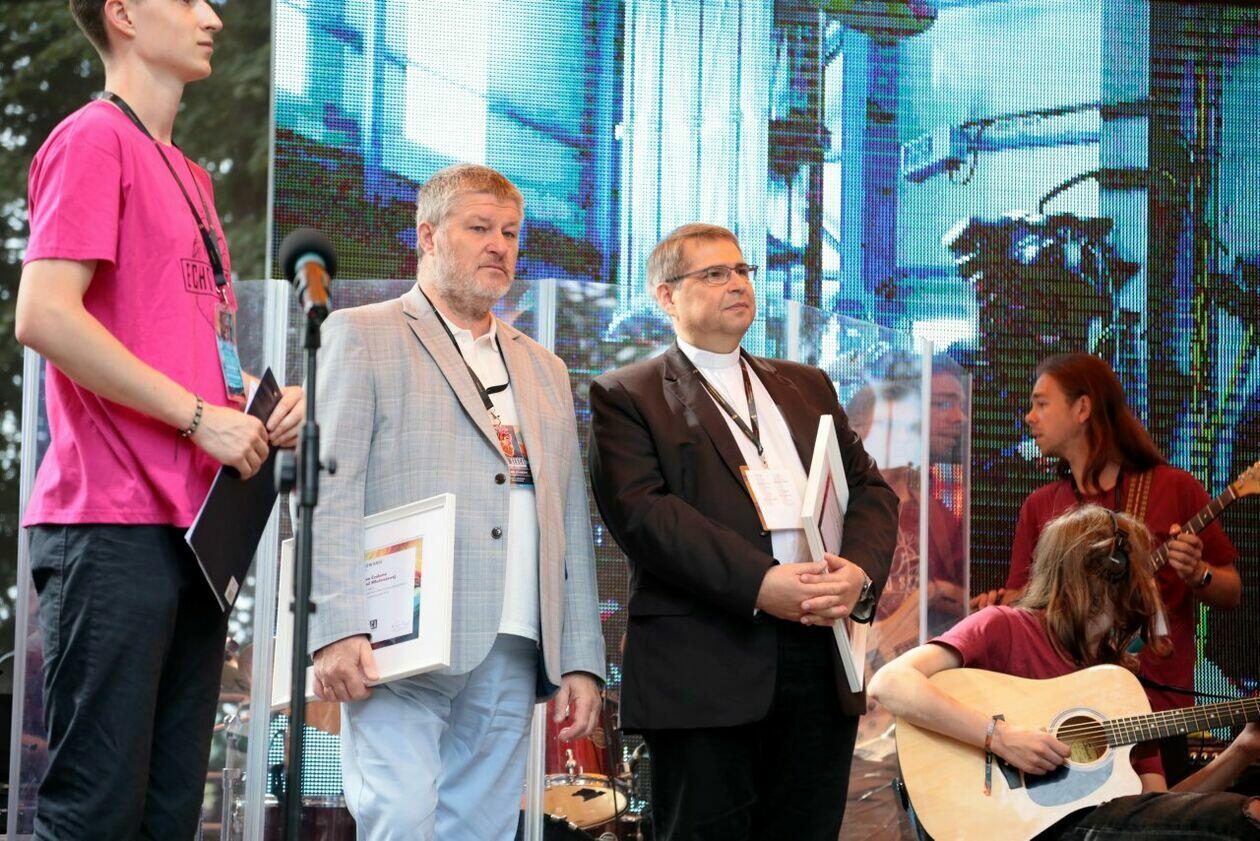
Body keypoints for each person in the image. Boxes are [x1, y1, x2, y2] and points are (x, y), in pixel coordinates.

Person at [14, 2, 305, 839]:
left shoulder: (191, 176)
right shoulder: (91, 138)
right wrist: (198, 418)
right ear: (123, 14)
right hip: (112, 522)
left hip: (196, 533)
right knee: (95, 812)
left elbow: (189, 346)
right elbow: (44, 314)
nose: (211, 16)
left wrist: (254, 405)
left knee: (170, 812)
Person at [308, 164, 605, 841]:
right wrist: (337, 624)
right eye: (479, 228)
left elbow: (567, 517)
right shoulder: (362, 332)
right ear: (428, 236)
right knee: (400, 818)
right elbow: (329, 491)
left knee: (483, 828)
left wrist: (580, 656)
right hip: (398, 636)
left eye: (510, 233)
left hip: (515, 636)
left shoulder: (546, 367)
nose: (498, 245)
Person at [587, 223, 899, 840]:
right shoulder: (628, 394)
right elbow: (646, 516)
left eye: (742, 271)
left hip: (818, 657)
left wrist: (859, 575)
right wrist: (762, 583)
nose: (737, 284)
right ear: (667, 296)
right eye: (714, 274)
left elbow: (870, 490)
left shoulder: (806, 385)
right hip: (705, 668)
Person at [869, 505, 1260, 839]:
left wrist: (1242, 749)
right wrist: (1000, 737)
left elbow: (1157, 813)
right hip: (1009, 824)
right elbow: (890, 681)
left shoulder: (1118, 683)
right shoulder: (1003, 627)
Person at [977, 352, 1241, 781]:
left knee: (1160, 812)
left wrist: (1199, 574)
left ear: (1082, 408)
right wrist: (991, 608)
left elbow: (1232, 591)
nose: (1029, 417)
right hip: (1070, 714)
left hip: (1157, 713)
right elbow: (1023, 603)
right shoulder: (1039, 506)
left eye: (1041, 403)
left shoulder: (1174, 487)